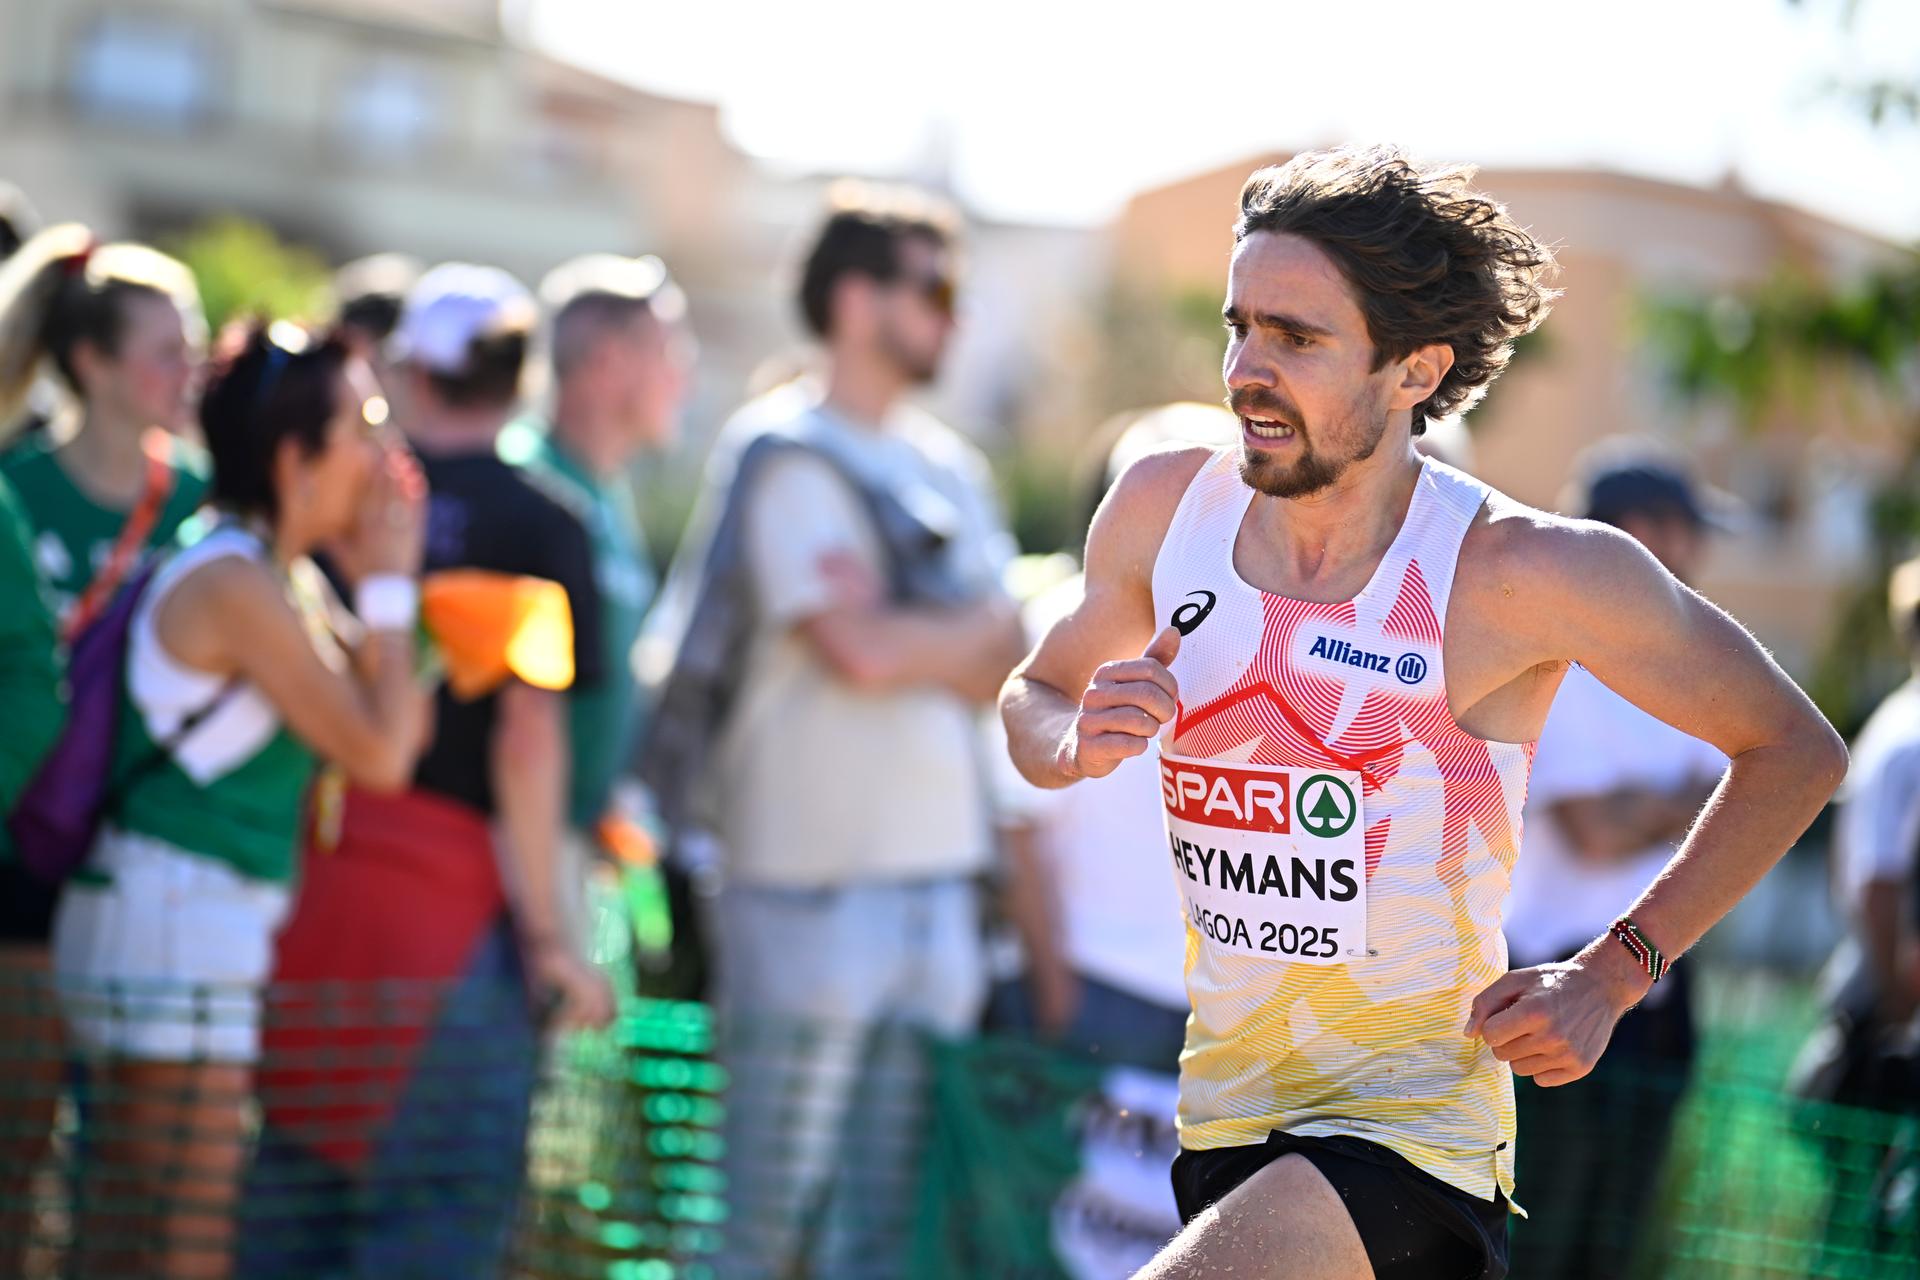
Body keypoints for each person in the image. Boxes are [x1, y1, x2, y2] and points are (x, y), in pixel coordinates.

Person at [1000, 144, 1847, 1280]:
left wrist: (1616, 968)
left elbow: (1794, 746)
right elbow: (1036, 690)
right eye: (1239, 325)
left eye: (1297, 338)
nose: (1248, 368)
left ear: (1413, 370)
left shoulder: (1519, 569)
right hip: (1223, 1127)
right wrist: (1069, 740)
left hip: (1407, 1142)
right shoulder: (1165, 506)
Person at [646, 183, 1025, 1278]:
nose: (953, 315)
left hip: (940, 891)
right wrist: (946, 631)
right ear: (858, 299)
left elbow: (1006, 655)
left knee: (882, 1233)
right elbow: (854, 650)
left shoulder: (951, 464)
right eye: (933, 288)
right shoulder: (783, 448)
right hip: (806, 890)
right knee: (760, 1221)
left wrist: (915, 627)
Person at [242, 263, 613, 1279]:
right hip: (449, 918)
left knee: (282, 1204)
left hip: (309, 884)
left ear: (411, 367)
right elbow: (527, 734)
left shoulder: (340, 495)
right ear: (518, 375)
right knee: (432, 1224)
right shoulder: (549, 522)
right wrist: (548, 932)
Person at [50, 319, 431, 1279]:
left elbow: (398, 727)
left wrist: (381, 592)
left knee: (133, 1229)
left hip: (187, 924)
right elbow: (382, 752)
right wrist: (389, 586)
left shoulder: (280, 577)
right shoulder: (234, 581)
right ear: (298, 459)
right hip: (171, 920)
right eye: (366, 428)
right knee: (180, 1237)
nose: (386, 463)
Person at [0, 224, 211, 1257]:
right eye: (167, 349)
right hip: (25, 877)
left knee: (133, 1191)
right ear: (91, 361)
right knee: (16, 1154)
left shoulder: (206, 512)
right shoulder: (14, 489)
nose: (190, 369)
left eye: (195, 344)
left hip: (148, 883)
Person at [1502, 446, 1729, 1278]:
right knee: (1541, 1234)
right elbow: (1596, 828)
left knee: (1612, 1242)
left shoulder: (1674, 666)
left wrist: (1667, 807)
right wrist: (1708, 806)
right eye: (1685, 529)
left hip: (1650, 995)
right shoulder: (1561, 665)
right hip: (1557, 986)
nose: (1696, 551)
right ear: (1637, 532)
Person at [987, 404, 1235, 1072]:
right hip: (1090, 984)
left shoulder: (1252, 620)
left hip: (1208, 1003)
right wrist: (1056, 997)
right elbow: (1015, 825)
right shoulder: (1063, 617)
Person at [499, 253, 691, 934]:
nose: (684, 376)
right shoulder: (524, 484)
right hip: (514, 868)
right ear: (609, 361)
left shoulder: (605, 490)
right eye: (669, 351)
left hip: (576, 851)